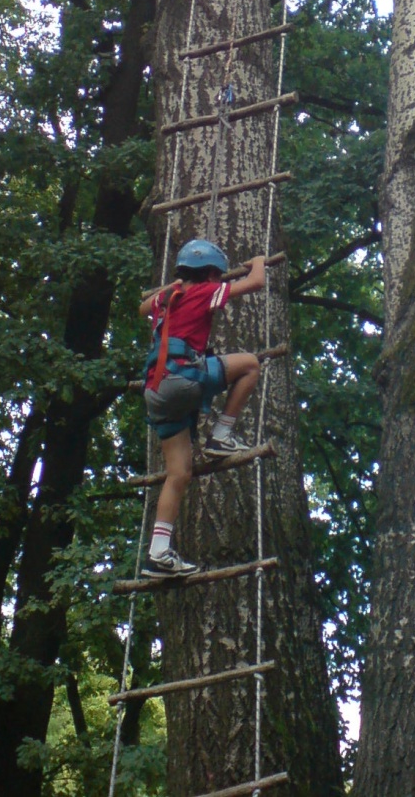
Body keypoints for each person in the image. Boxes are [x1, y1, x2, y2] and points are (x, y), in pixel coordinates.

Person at [139, 238, 266, 578]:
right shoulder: (205, 291)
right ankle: (221, 435)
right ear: (211, 274)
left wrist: (173, 283)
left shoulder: (166, 299)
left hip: (155, 392)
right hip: (181, 379)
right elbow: (256, 282)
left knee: (178, 472)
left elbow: (141, 308)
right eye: (217, 276)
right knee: (250, 364)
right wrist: (257, 260)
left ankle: (158, 553)